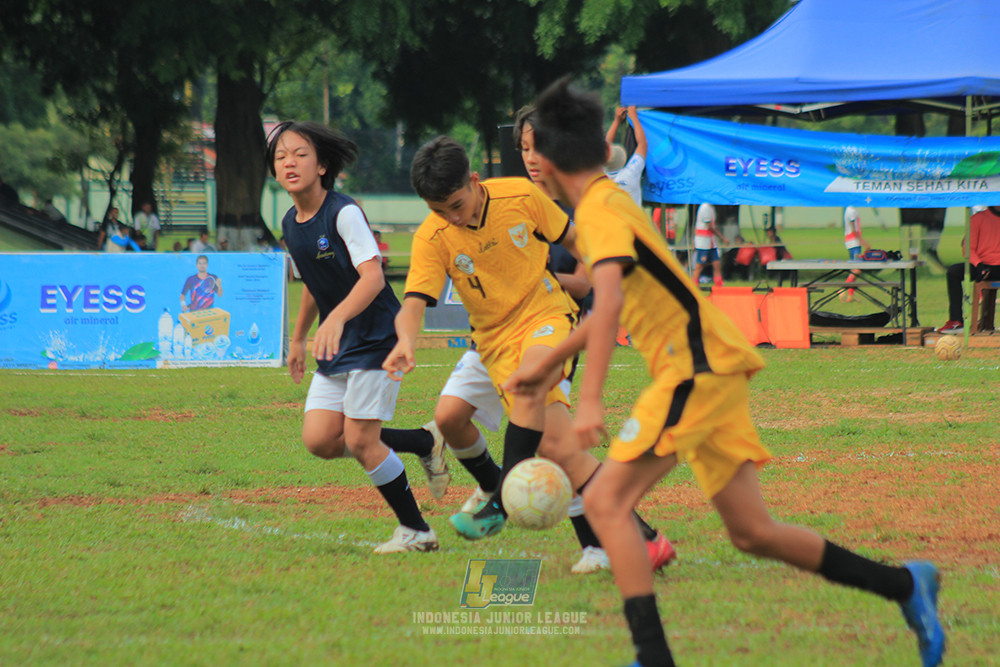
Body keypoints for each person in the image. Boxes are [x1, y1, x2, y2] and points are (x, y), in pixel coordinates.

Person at [506, 77, 945, 667]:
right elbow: (618, 301)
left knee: (607, 501)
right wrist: (551, 365)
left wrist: (588, 400)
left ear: (554, 162)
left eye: (535, 151)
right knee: (753, 532)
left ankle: (652, 657)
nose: (530, 161)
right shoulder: (607, 204)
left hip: (695, 370)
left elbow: (605, 302)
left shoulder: (600, 212)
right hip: (709, 366)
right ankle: (906, 585)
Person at [384, 136, 675, 575]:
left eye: (456, 205)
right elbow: (413, 304)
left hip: (545, 315)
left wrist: (611, 279)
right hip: (491, 340)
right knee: (533, 439)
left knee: (533, 379)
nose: (450, 217)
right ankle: (644, 539)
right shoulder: (434, 234)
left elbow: (575, 240)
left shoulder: (520, 196)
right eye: (438, 210)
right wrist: (405, 340)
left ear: (475, 182)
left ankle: (500, 500)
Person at [268, 120, 441, 554]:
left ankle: (417, 531)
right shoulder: (290, 222)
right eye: (280, 157)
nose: (290, 162)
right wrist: (297, 338)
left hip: (377, 337)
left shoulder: (343, 212)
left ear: (322, 165)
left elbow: (372, 277)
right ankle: (423, 440)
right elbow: (312, 280)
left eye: (300, 154)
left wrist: (337, 317)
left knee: (362, 440)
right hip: (338, 341)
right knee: (321, 439)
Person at [936, 205, 1000, 334]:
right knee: (954, 272)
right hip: (982, 265)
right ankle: (956, 320)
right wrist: (979, 264)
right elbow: (968, 248)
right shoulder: (977, 219)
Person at [604, 106, 648, 208]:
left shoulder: (601, 178)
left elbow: (605, 146)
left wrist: (616, 121)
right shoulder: (630, 174)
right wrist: (634, 118)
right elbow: (642, 144)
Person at [692, 202, 728, 287]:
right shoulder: (705, 207)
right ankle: (694, 284)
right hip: (703, 242)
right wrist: (722, 237)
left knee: (717, 264)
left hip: (711, 242)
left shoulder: (711, 207)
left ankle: (719, 284)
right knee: (700, 265)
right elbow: (709, 226)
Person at [841, 205, 871, 302]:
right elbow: (854, 229)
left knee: (854, 269)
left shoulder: (848, 210)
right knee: (857, 269)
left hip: (851, 242)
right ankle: (843, 288)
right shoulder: (852, 211)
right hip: (854, 242)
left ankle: (850, 295)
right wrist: (863, 241)